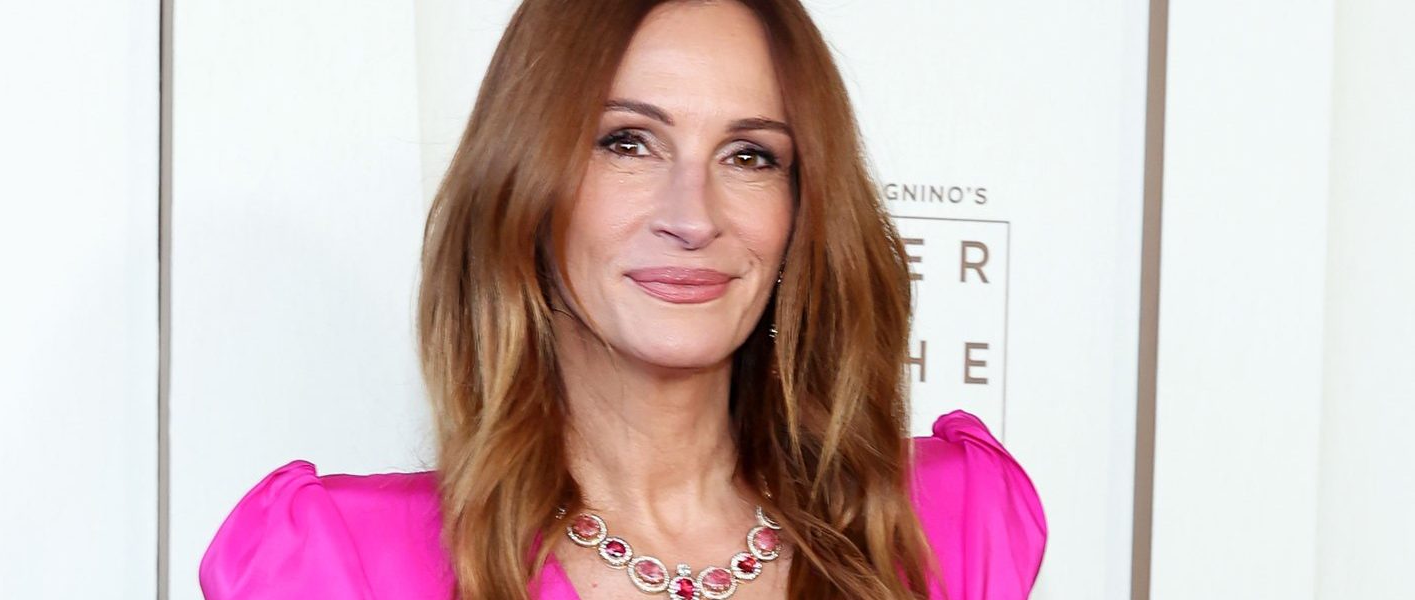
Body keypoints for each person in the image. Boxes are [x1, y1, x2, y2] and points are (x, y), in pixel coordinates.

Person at [199, 0, 1046, 598]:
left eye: (750, 156)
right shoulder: (338, 563)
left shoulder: (949, 522)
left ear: (802, 210)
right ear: (525, 190)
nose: (694, 216)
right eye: (627, 143)